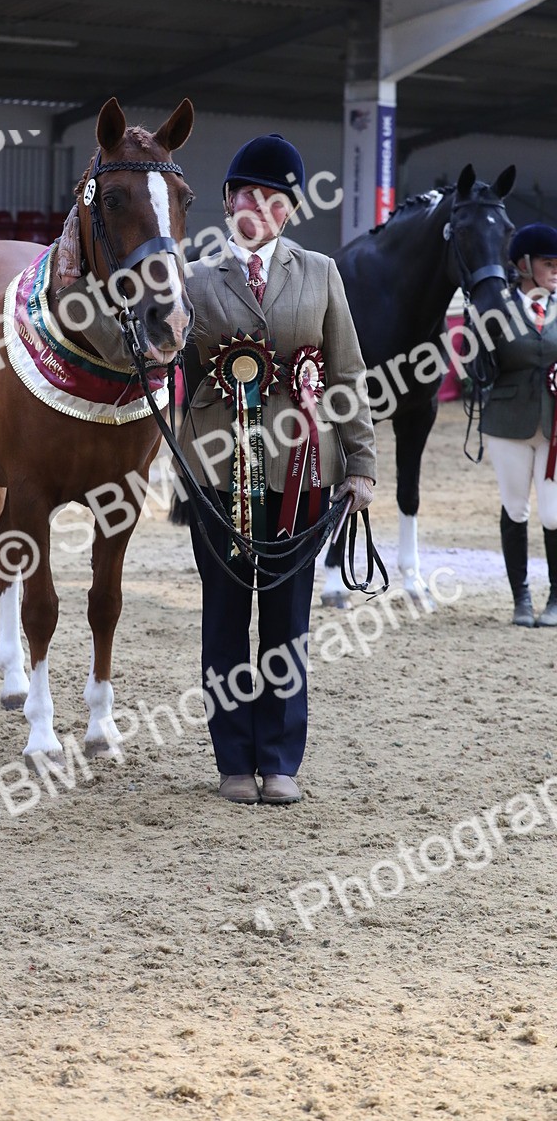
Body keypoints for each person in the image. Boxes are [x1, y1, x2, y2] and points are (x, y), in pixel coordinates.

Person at [177, 133, 377, 805]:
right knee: (226, 616)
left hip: (303, 473)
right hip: (217, 469)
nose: (257, 207)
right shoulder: (193, 280)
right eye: (246, 195)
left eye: (273, 198)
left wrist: (362, 464)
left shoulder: (320, 272)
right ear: (228, 202)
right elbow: (167, 366)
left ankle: (281, 759)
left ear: (288, 210)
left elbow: (347, 373)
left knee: (288, 619)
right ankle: (233, 760)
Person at [481, 222, 557, 628]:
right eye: (549, 263)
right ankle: (521, 598)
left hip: (556, 423)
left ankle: (556, 598)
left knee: (554, 513)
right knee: (515, 508)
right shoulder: (499, 309)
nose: (556, 270)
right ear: (525, 265)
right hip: (509, 419)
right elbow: (480, 363)